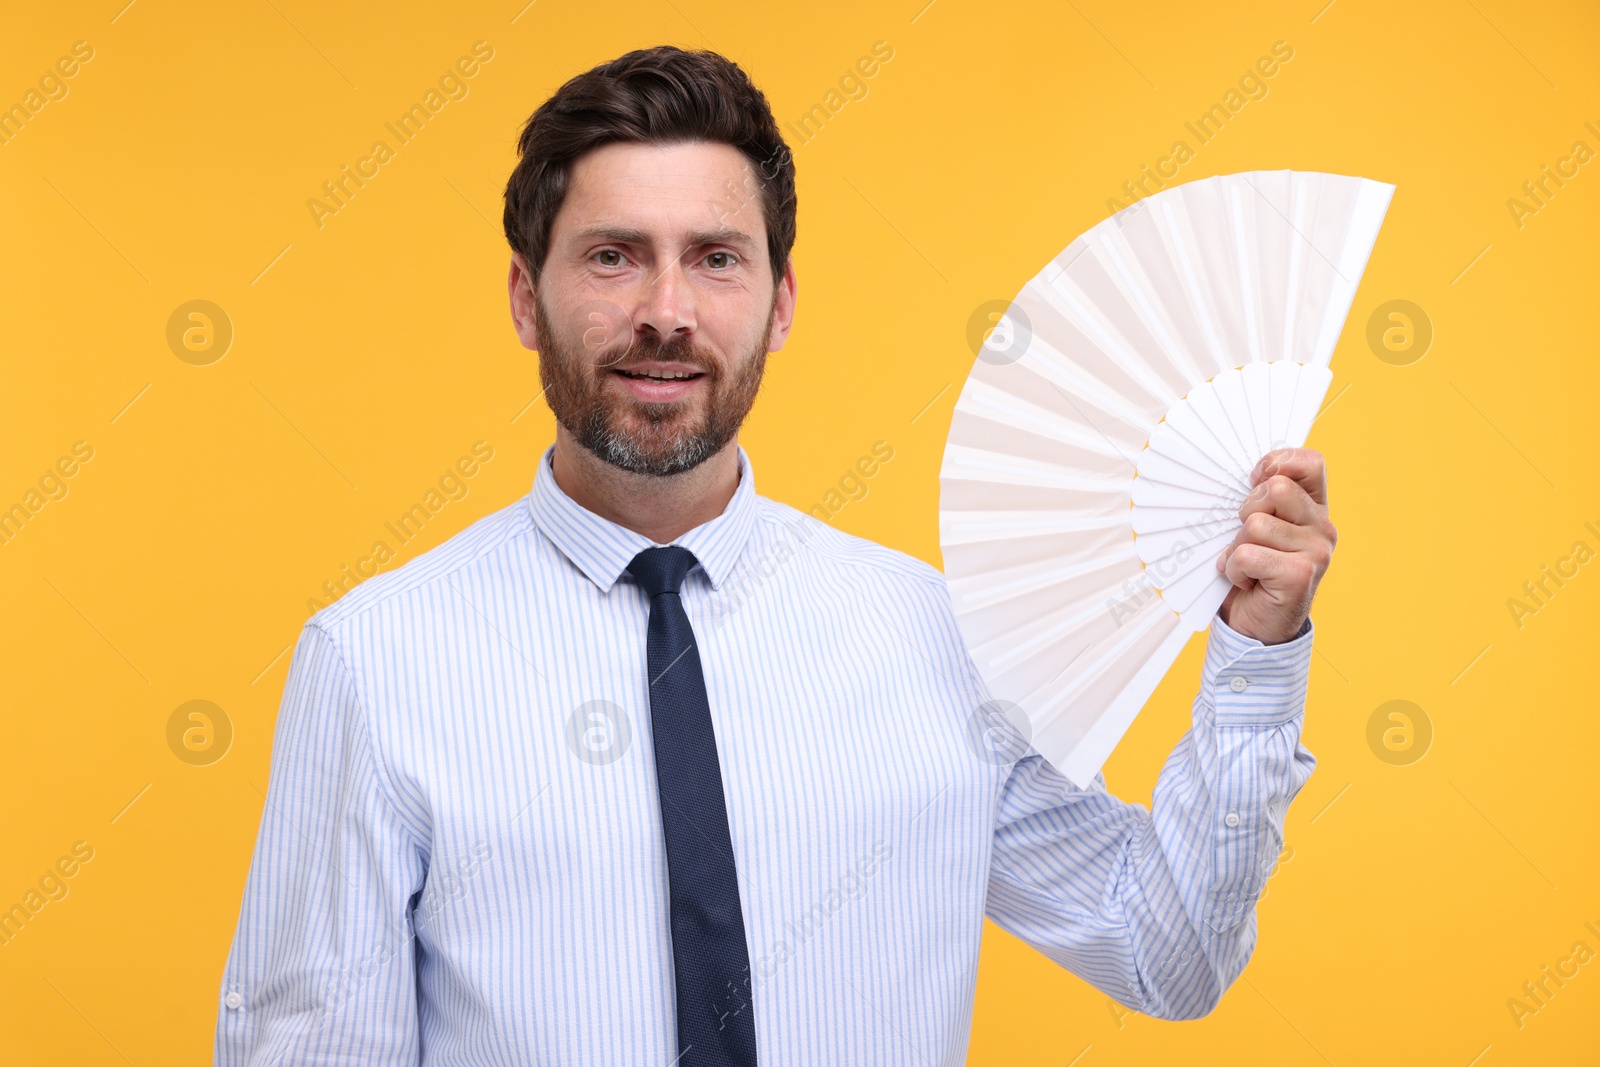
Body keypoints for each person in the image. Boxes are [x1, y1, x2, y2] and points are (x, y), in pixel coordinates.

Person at [215, 44, 1333, 1066]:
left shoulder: (936, 637)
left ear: (780, 302)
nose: (666, 311)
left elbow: (1167, 954)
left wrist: (1254, 651)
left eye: (714, 258)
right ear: (525, 297)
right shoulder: (376, 659)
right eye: (612, 256)